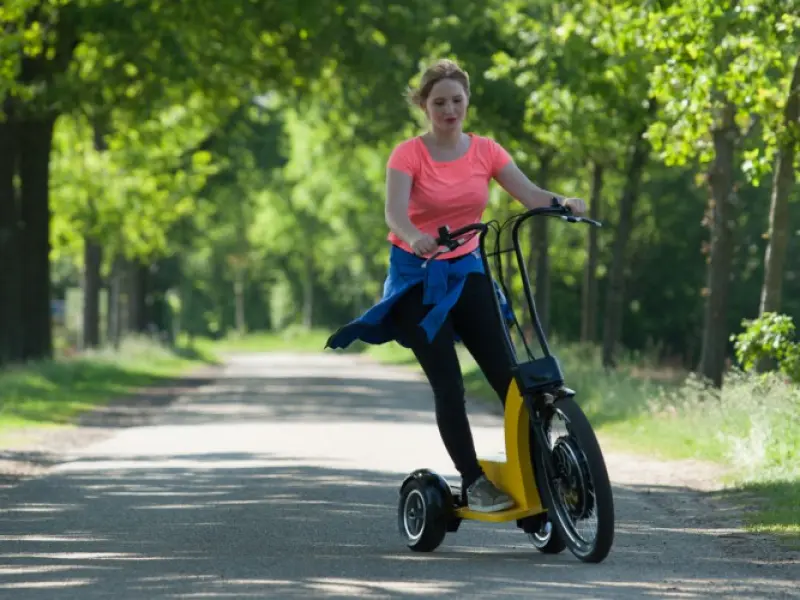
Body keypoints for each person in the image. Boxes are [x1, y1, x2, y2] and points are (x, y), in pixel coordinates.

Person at [327, 59, 586, 513]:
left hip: (467, 269)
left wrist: (562, 202)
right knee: (449, 386)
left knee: (512, 381)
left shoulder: (485, 150)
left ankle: (543, 468)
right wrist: (413, 236)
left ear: (467, 102)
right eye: (440, 102)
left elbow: (528, 194)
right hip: (416, 279)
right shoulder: (408, 154)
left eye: (457, 101)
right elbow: (394, 213)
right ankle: (474, 480)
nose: (450, 109)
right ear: (424, 105)